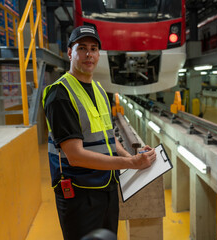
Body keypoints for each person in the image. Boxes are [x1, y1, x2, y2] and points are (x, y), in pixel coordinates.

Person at [42, 25, 156, 240]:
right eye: (82, 48)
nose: (89, 54)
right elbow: (75, 156)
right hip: (79, 192)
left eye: (94, 49)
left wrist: (132, 157)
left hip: (107, 187)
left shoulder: (100, 90)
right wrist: (131, 164)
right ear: (69, 53)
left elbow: (110, 137)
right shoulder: (60, 94)